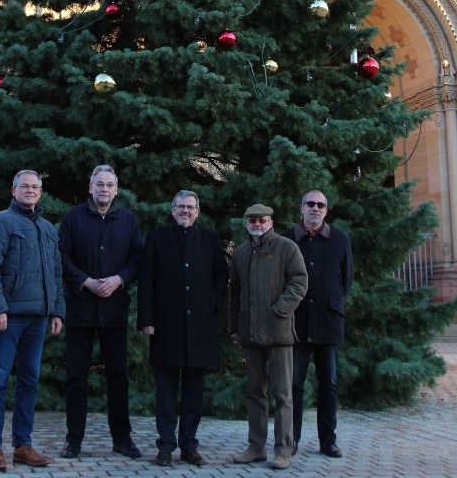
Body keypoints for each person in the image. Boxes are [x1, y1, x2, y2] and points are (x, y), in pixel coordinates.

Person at [0, 169, 64, 472]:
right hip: (8, 318)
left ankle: (23, 446)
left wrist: (57, 311)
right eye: (24, 186)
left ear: (40, 192)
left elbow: (56, 274)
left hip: (38, 318)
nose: (30, 190)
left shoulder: (48, 229)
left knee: (29, 381)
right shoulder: (0, 223)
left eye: (35, 186)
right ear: (13, 191)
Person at [58, 164, 144, 459]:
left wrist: (120, 279)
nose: (104, 189)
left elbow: (137, 258)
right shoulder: (72, 219)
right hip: (80, 309)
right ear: (90, 188)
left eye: (109, 185)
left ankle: (122, 439)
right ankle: (74, 440)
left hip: (114, 310)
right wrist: (85, 281)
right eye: (99, 185)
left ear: (116, 190)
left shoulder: (128, 220)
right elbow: (62, 257)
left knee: (118, 377)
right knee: (76, 378)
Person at [138, 190, 228, 466]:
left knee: (193, 392)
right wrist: (147, 319)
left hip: (200, 327)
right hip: (166, 326)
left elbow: (221, 277)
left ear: (198, 212)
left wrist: (213, 308)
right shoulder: (157, 238)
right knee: (165, 391)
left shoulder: (210, 240)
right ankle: (165, 445)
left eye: (190, 207)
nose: (185, 211)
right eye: (180, 207)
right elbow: (147, 281)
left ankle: (189, 445)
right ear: (172, 210)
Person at [229, 204, 308, 471]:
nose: (257, 223)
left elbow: (299, 281)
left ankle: (284, 449)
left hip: (279, 333)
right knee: (254, 392)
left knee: (283, 394)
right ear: (246, 222)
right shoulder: (240, 253)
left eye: (262, 219)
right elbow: (235, 294)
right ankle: (256, 447)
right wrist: (234, 327)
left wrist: (280, 309)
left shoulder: (287, 248)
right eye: (252, 219)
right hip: (250, 334)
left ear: (271, 221)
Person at [282, 190, 354, 458]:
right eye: (310, 204)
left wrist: (330, 302)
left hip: (327, 322)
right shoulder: (287, 240)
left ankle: (328, 440)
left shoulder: (339, 240)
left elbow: (346, 279)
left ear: (326, 210)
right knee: (294, 385)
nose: (315, 208)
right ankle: (292, 440)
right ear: (301, 208)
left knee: (329, 384)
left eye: (320, 205)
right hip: (296, 324)